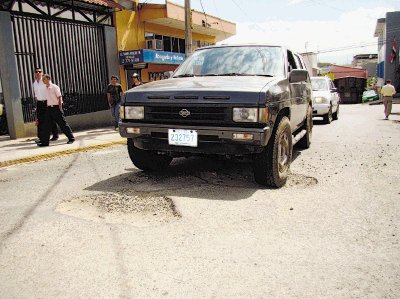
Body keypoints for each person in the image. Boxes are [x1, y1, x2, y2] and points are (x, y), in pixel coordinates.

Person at [37, 74, 75, 146]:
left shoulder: (54, 87)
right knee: (46, 126)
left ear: (48, 79)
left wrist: (60, 108)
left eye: (44, 79)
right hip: (49, 108)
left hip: (56, 107)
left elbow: (59, 97)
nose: (43, 81)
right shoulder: (45, 88)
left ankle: (71, 138)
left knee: (62, 124)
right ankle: (45, 142)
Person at [32, 67, 58, 144]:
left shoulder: (44, 81)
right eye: (37, 72)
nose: (38, 73)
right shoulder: (34, 84)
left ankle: (55, 135)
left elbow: (51, 90)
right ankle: (41, 137)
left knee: (50, 118)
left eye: (40, 72)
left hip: (47, 101)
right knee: (40, 120)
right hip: (39, 102)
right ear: (35, 73)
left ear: (42, 73)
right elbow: (36, 94)